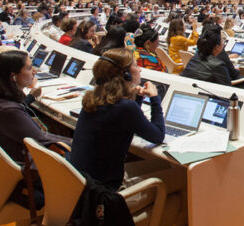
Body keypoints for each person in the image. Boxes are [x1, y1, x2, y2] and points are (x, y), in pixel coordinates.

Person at [70, 48, 185, 193]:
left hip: (86, 184)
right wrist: (155, 98)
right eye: (136, 65)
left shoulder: (93, 98)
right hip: (108, 193)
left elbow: (129, 121)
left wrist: (138, 97)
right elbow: (158, 135)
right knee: (183, 175)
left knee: (166, 166)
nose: (140, 70)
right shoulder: (124, 107)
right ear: (125, 74)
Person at [0, 50, 71, 208]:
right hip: (26, 175)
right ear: (13, 76)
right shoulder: (7, 110)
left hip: (9, 168)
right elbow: (42, 141)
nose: (34, 71)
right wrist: (76, 141)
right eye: (28, 68)